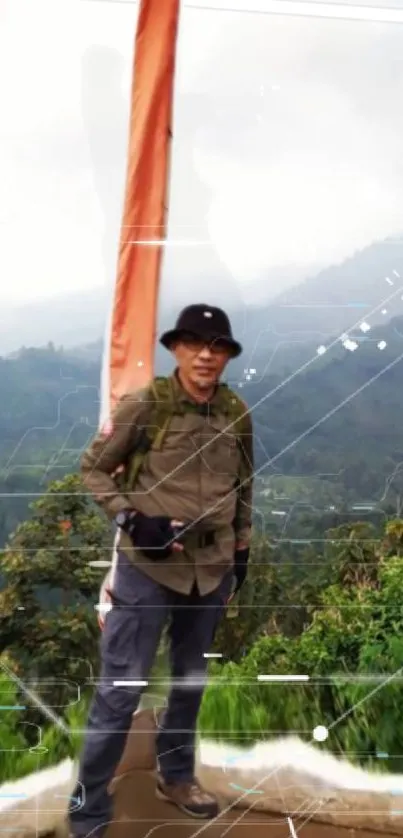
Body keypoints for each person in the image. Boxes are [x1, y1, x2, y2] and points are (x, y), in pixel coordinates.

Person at [68, 303, 254, 837]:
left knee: (190, 683)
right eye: (194, 343)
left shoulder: (236, 412)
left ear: (226, 356)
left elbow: (244, 487)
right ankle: (89, 809)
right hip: (148, 568)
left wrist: (240, 551)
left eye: (216, 346)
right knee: (121, 688)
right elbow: (93, 469)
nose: (205, 355)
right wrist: (132, 518)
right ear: (175, 348)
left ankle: (175, 778)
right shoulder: (145, 407)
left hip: (210, 568)